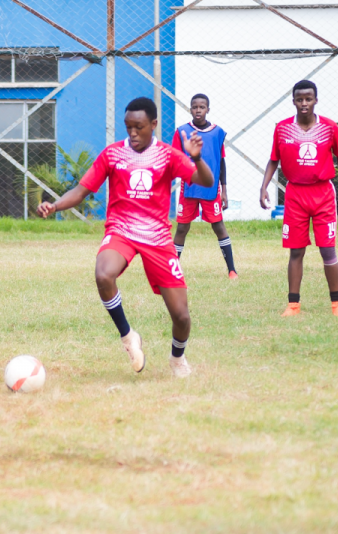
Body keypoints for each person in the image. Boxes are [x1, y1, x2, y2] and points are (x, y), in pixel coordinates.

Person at [38, 97, 214, 377]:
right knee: (103, 274)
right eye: (128, 127)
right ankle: (128, 336)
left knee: (181, 316)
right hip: (122, 230)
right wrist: (55, 205)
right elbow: (82, 190)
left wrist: (196, 158)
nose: (132, 133)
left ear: (154, 125)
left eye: (139, 127)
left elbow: (206, 182)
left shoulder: (168, 155)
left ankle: (177, 359)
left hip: (157, 237)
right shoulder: (113, 154)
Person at [259, 80, 338, 317]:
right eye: (299, 99)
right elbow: (273, 160)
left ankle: (337, 304)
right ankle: (293, 305)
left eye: (308, 99)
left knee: (327, 250)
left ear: (316, 101)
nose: (304, 103)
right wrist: (264, 186)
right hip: (295, 195)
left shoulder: (329, 127)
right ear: (293, 101)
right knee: (296, 251)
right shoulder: (282, 128)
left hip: (323, 194)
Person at [171, 93, 237, 278]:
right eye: (194, 107)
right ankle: (173, 270)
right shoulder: (182, 131)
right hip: (189, 188)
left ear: (208, 109)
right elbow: (174, 159)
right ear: (190, 109)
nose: (198, 110)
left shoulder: (217, 132)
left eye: (202, 107)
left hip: (211, 189)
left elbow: (221, 161)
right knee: (182, 228)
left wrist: (224, 190)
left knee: (218, 226)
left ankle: (232, 269)